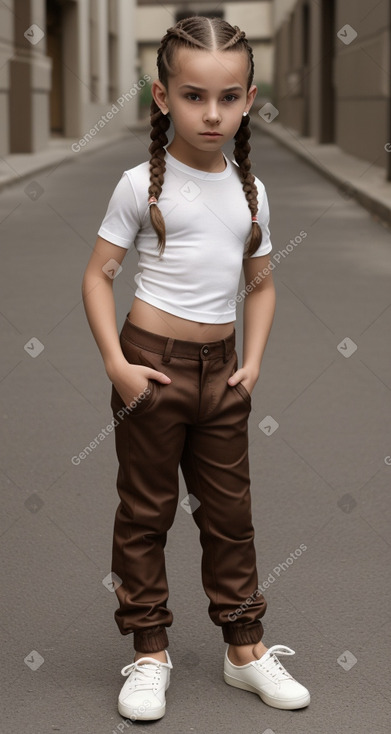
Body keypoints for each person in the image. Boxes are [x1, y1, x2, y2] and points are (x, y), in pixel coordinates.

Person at [82, 15, 310, 722]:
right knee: (145, 516)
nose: (212, 114)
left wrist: (254, 363)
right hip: (150, 369)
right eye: (192, 96)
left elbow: (262, 282)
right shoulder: (137, 185)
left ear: (246, 100)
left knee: (229, 518)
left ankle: (244, 651)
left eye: (229, 97)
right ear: (161, 97)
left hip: (223, 374)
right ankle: (148, 652)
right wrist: (119, 367)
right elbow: (97, 277)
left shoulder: (250, 191)